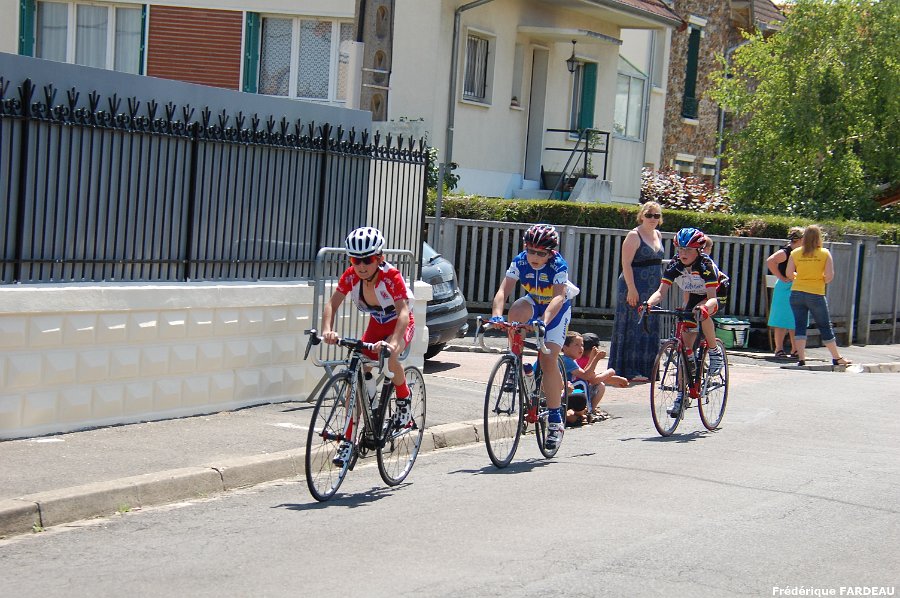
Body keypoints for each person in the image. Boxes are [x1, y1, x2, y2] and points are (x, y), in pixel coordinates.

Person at [321, 227, 416, 466]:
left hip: (400, 323)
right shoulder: (351, 277)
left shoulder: (391, 276)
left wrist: (393, 342)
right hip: (377, 323)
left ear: (379, 258)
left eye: (367, 260)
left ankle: (404, 400)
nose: (361, 266)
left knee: (391, 358)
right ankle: (349, 438)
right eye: (355, 260)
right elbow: (332, 304)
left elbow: (403, 313)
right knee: (358, 375)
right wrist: (327, 330)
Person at [490, 223, 576, 451]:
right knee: (516, 310)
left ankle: (555, 420)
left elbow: (558, 298)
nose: (535, 257)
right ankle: (514, 361)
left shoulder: (558, 265)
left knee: (547, 359)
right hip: (534, 302)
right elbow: (503, 291)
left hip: (556, 311)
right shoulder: (520, 261)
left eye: (541, 253)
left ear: (550, 253)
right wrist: (496, 315)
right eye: (531, 251)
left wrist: (543, 322)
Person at [644, 227, 729, 416]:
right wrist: (648, 304)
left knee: (701, 312)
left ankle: (714, 351)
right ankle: (682, 396)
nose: (683, 253)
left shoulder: (705, 265)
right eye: (680, 248)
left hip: (715, 294)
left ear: (698, 250)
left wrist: (704, 308)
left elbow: (712, 299)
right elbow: (661, 292)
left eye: (688, 249)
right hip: (694, 295)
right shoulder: (675, 264)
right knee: (685, 350)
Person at [608, 201, 665, 382]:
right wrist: (631, 289)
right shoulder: (634, 235)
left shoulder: (658, 234)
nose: (652, 219)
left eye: (656, 215)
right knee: (633, 325)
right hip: (634, 285)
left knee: (649, 324)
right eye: (649, 215)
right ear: (642, 216)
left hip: (652, 287)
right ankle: (629, 369)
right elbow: (626, 264)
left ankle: (647, 369)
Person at [785, 224, 851, 367]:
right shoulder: (824, 253)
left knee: (800, 325)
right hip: (815, 293)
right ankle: (836, 357)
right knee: (824, 325)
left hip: (797, 292)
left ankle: (801, 358)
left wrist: (799, 277)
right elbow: (829, 276)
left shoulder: (795, 253)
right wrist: (818, 278)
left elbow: (789, 274)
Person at [561, 331, 628, 423]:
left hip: (570, 391)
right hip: (565, 392)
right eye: (576, 345)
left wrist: (593, 358)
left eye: (582, 345)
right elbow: (586, 376)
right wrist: (596, 359)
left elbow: (585, 374)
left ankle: (580, 414)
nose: (581, 348)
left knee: (575, 412)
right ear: (565, 347)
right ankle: (587, 411)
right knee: (593, 389)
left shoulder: (571, 359)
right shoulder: (567, 361)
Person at [766, 227, 804, 359]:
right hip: (784, 286)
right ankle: (779, 348)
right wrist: (781, 277)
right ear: (799, 239)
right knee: (781, 319)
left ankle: (795, 349)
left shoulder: (801, 252)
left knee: (794, 319)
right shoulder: (786, 252)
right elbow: (770, 261)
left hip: (797, 286)